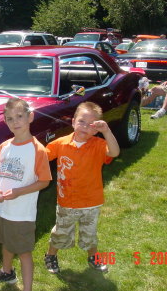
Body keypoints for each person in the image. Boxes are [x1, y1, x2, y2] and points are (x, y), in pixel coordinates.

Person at [0, 98, 52, 291]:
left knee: (23, 252)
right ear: (5, 122)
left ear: (30, 117)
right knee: (6, 241)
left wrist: (18, 191)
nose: (15, 122)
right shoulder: (3, 147)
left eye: (19, 116)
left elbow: (44, 181)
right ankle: (7, 272)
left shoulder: (38, 150)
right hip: (1, 208)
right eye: (10, 118)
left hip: (21, 214)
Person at [43, 102, 120, 274]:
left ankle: (93, 257)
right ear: (73, 122)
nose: (85, 127)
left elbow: (114, 153)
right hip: (67, 201)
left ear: (96, 129)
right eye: (82, 122)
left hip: (91, 201)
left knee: (89, 234)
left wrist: (107, 131)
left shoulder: (99, 144)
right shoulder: (60, 143)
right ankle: (50, 255)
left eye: (91, 125)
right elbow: (43, 157)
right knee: (61, 232)